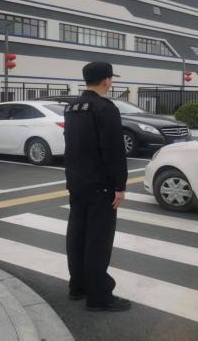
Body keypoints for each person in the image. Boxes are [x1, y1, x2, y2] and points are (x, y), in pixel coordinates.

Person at [64, 61, 131, 312]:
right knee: (98, 242)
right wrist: (119, 186)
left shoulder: (72, 107)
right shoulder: (105, 108)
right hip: (100, 186)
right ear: (106, 81)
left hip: (77, 183)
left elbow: (71, 145)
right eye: (111, 79)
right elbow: (114, 151)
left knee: (77, 236)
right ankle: (98, 297)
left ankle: (77, 286)